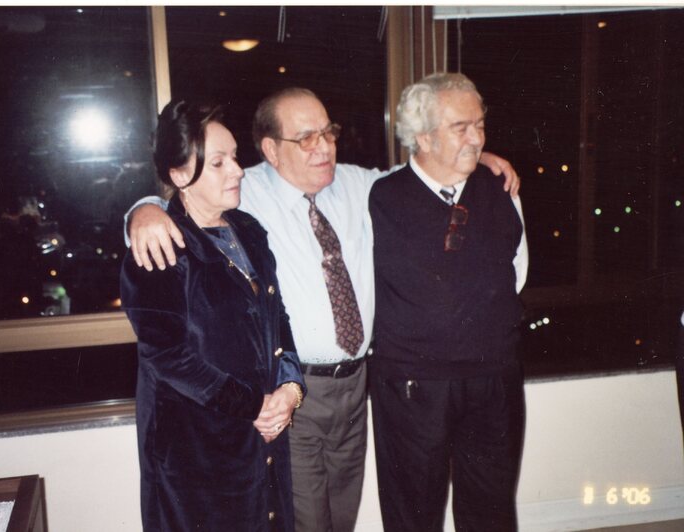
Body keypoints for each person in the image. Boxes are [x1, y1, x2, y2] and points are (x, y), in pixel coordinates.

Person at [125, 87, 520, 531]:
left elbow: (420, 173)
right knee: (306, 521)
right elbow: (186, 199)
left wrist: (474, 157)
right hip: (294, 391)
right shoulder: (244, 192)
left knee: (341, 517)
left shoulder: (358, 185)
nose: (325, 147)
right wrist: (144, 210)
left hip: (355, 388)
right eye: (306, 138)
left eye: (328, 132)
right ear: (271, 150)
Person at [120, 100, 306, 531]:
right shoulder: (160, 248)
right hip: (196, 455)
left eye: (235, 158)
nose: (238, 171)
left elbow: (277, 317)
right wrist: (253, 405)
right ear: (179, 175)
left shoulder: (249, 231)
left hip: (262, 439)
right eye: (219, 162)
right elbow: (167, 357)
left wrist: (291, 387)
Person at [368, 72, 528, 531]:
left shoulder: (501, 189)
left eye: (480, 125)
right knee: (413, 514)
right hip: (412, 385)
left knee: (491, 509)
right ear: (422, 137)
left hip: (492, 379)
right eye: (461, 128)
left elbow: (516, 274)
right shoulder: (378, 197)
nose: (477, 138)